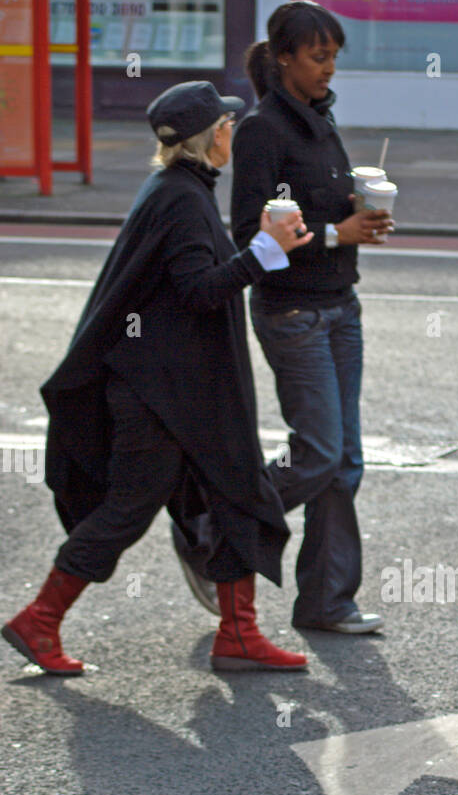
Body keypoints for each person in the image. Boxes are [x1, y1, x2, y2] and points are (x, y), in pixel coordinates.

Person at [2, 81, 313, 676]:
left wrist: (261, 249)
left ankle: (238, 634)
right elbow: (199, 290)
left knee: (235, 493)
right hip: (164, 397)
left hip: (179, 391)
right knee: (130, 507)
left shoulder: (177, 190)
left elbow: (187, 280)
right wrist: (265, 252)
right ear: (211, 137)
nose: (233, 133)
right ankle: (40, 620)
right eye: (227, 126)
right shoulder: (181, 198)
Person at [228, 0, 393, 635]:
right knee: (320, 456)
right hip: (291, 311)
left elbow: (320, 206)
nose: (329, 69)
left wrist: (358, 214)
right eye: (319, 57)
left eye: (334, 57)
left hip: (339, 307)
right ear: (285, 57)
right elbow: (250, 233)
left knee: (344, 461)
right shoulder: (262, 130)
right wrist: (333, 231)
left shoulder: (321, 121)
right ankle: (219, 519)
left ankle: (326, 601)